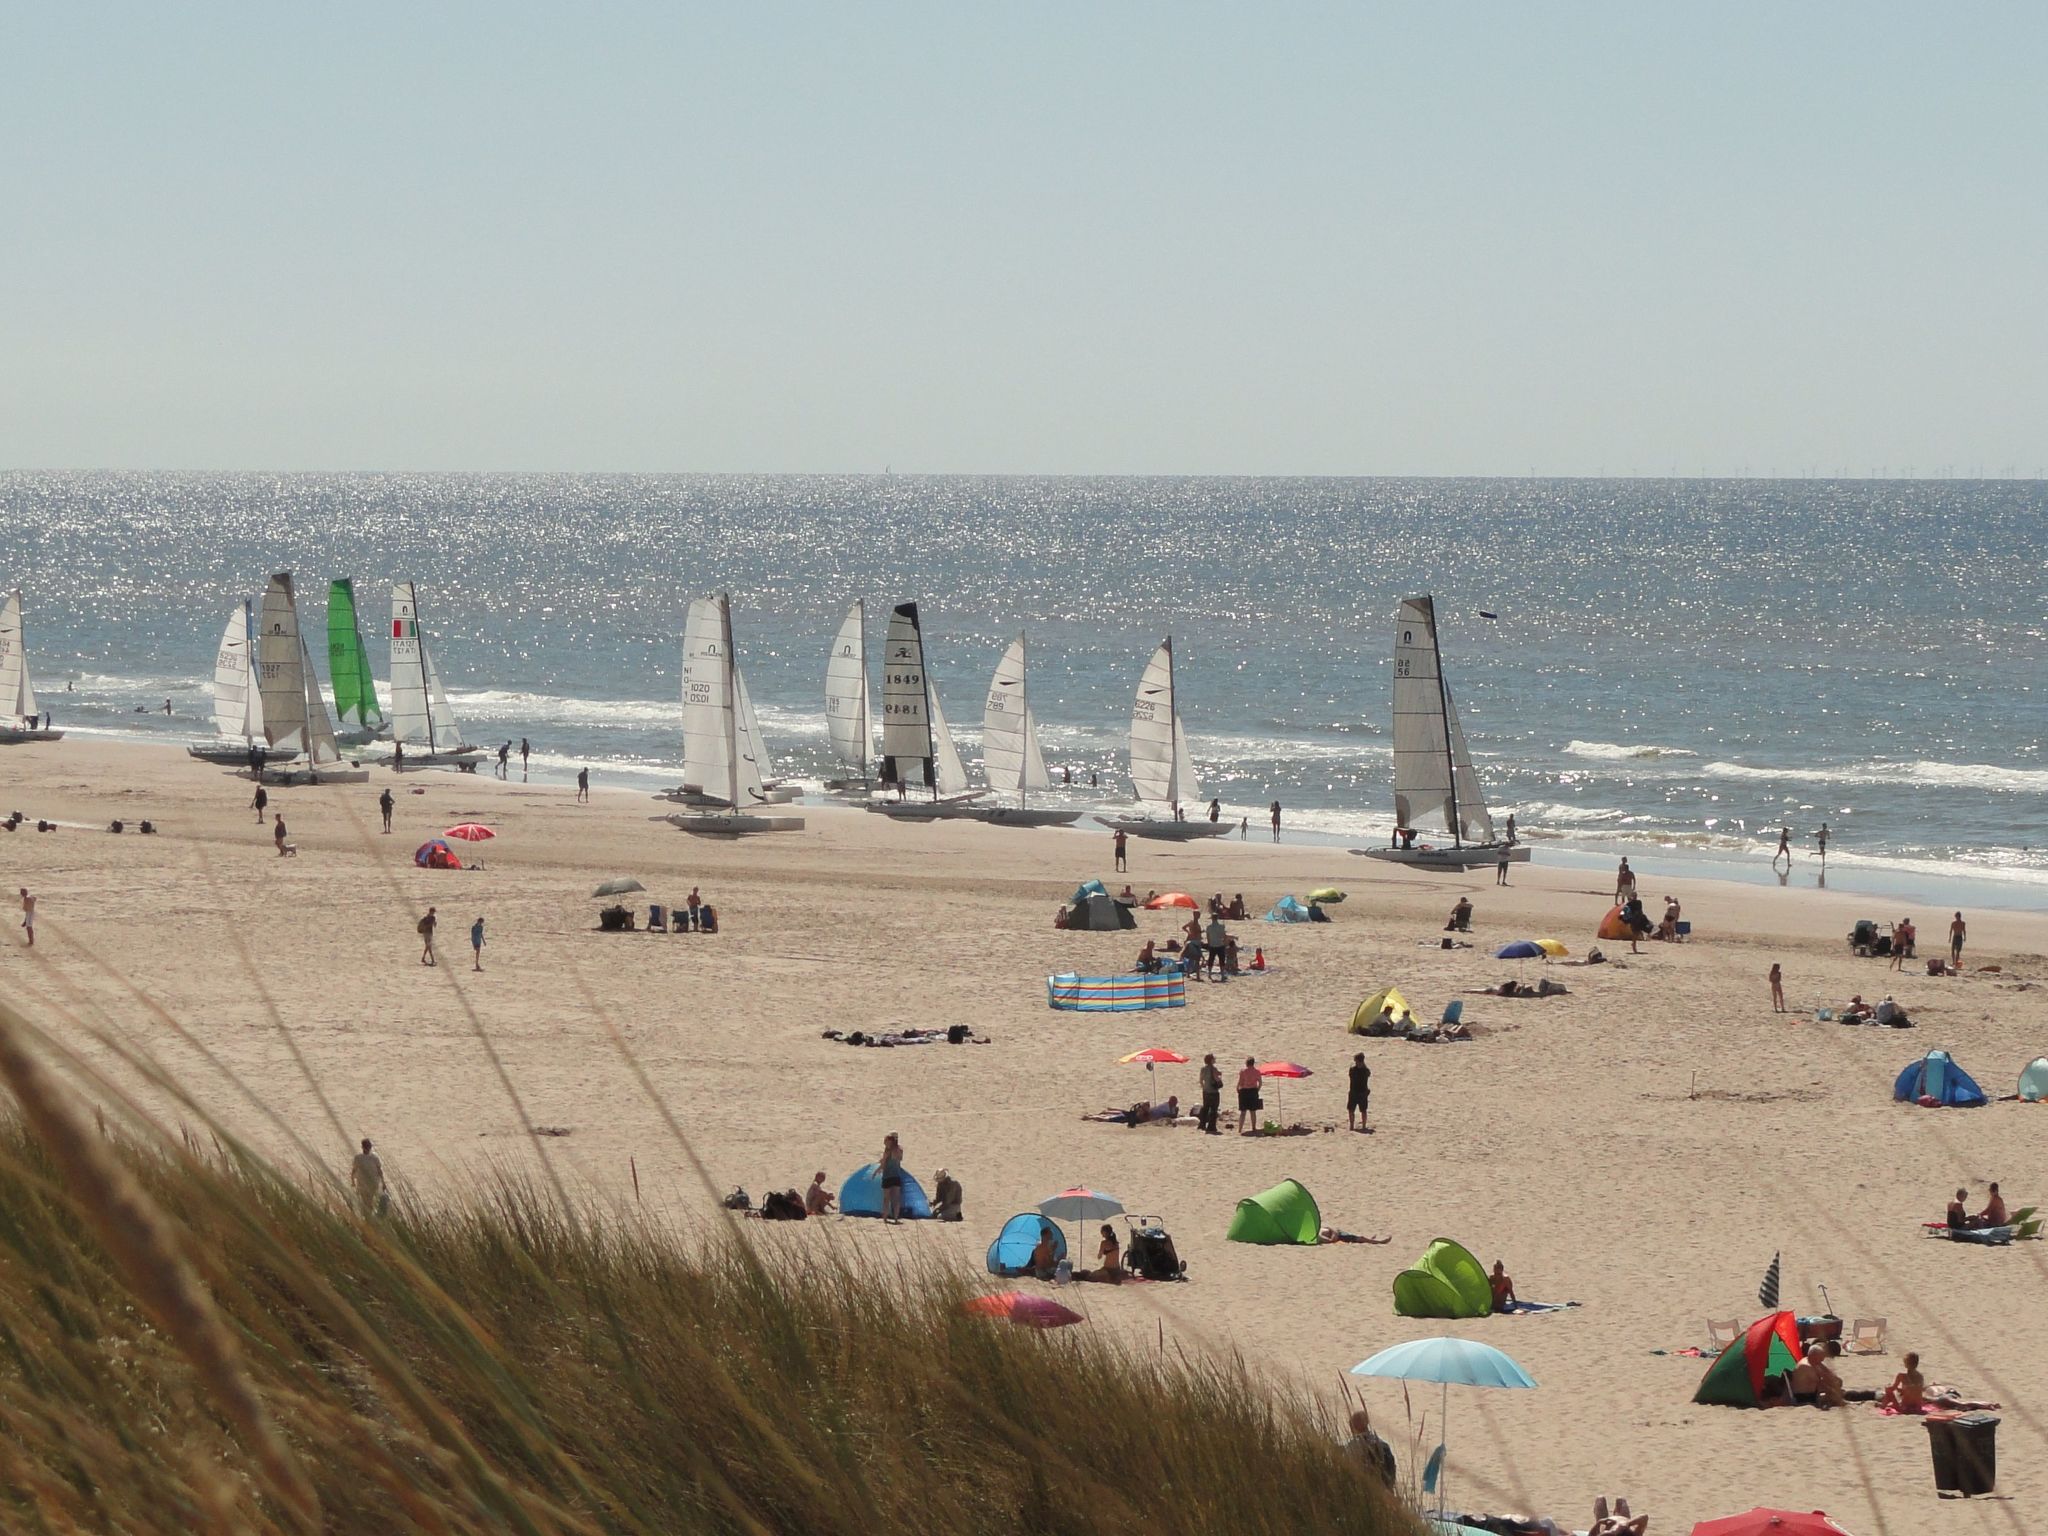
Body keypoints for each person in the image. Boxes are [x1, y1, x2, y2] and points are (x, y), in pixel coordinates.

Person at [1341, 1408, 1396, 1486]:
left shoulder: (1353, 1446)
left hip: (1366, 1489)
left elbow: (1346, 1468)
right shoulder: (1383, 1444)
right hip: (1386, 1488)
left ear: (1353, 1427)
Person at [349, 1138, 385, 1216]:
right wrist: (352, 1181)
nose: (368, 1148)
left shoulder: (374, 1157)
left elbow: (379, 1170)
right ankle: (367, 1216)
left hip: (373, 1183)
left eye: (369, 1146)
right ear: (363, 1147)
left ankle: (368, 1216)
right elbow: (354, 1170)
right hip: (362, 1184)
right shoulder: (358, 1158)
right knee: (365, 1201)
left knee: (370, 1201)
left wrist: (383, 1183)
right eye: (367, 1146)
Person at [878, 1133, 905, 1224]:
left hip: (887, 1176)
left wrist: (877, 1170)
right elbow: (900, 1159)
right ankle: (896, 1218)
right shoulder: (900, 1149)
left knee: (886, 1198)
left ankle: (885, 1218)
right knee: (896, 1198)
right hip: (897, 1175)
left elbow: (884, 1163)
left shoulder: (888, 1149)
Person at [1235, 1057, 1262, 1134]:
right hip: (1253, 1091)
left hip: (1244, 1091)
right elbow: (1260, 1083)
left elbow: (1240, 1082)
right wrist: (1257, 1090)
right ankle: (1253, 1127)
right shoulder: (1257, 1072)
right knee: (1253, 1111)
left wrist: (1237, 1088)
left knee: (1243, 1112)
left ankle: (1240, 1129)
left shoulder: (1243, 1071)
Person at [1198, 1053, 1222, 1135]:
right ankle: (1211, 1126)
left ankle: (1202, 1124)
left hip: (1205, 1091)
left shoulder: (1203, 1069)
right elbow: (1216, 1078)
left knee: (1205, 1108)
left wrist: (1203, 1087)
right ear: (1211, 1060)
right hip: (1213, 1092)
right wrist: (1220, 1079)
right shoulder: (1213, 1069)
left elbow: (1201, 1080)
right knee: (1213, 1110)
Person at [1346, 1051, 1371, 1132]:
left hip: (1360, 1092)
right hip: (1356, 1092)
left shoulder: (1355, 1070)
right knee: (1351, 1110)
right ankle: (1352, 1126)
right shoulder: (1365, 1070)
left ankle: (1363, 1125)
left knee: (1363, 1110)